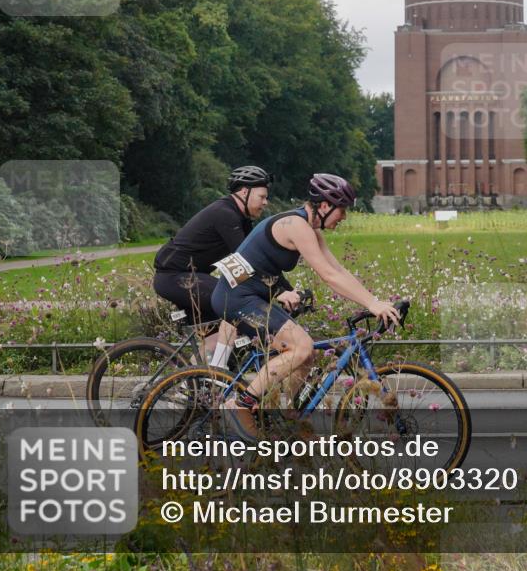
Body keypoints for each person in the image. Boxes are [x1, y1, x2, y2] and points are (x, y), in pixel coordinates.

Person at [211, 173, 400, 440]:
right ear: (324, 206)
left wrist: (375, 301)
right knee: (302, 347)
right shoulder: (296, 225)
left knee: (306, 355)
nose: (343, 217)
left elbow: (339, 270)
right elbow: (328, 275)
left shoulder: (310, 229)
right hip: (236, 296)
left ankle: (287, 419)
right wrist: (372, 303)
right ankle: (239, 405)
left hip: (253, 295)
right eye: (342, 210)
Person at [153, 166, 273, 368]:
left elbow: (257, 259)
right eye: (262, 196)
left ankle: (187, 386)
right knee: (232, 305)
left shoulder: (241, 220)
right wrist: (278, 291)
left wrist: (283, 288)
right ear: (244, 192)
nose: (265, 202)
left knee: (214, 337)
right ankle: (218, 376)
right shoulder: (225, 214)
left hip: (189, 277)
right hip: (174, 277)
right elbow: (245, 262)